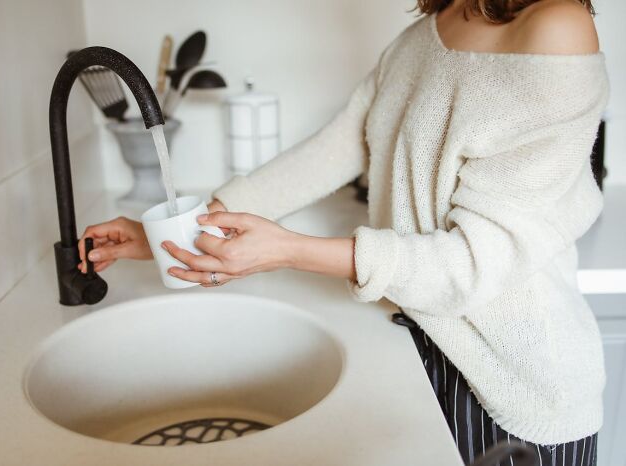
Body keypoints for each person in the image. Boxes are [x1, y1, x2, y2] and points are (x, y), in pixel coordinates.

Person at [78, 0, 608, 464]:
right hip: (423, 347)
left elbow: (471, 264)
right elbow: (343, 143)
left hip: (511, 382)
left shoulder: (556, 25)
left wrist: (287, 251)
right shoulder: (442, 18)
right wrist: (181, 233)